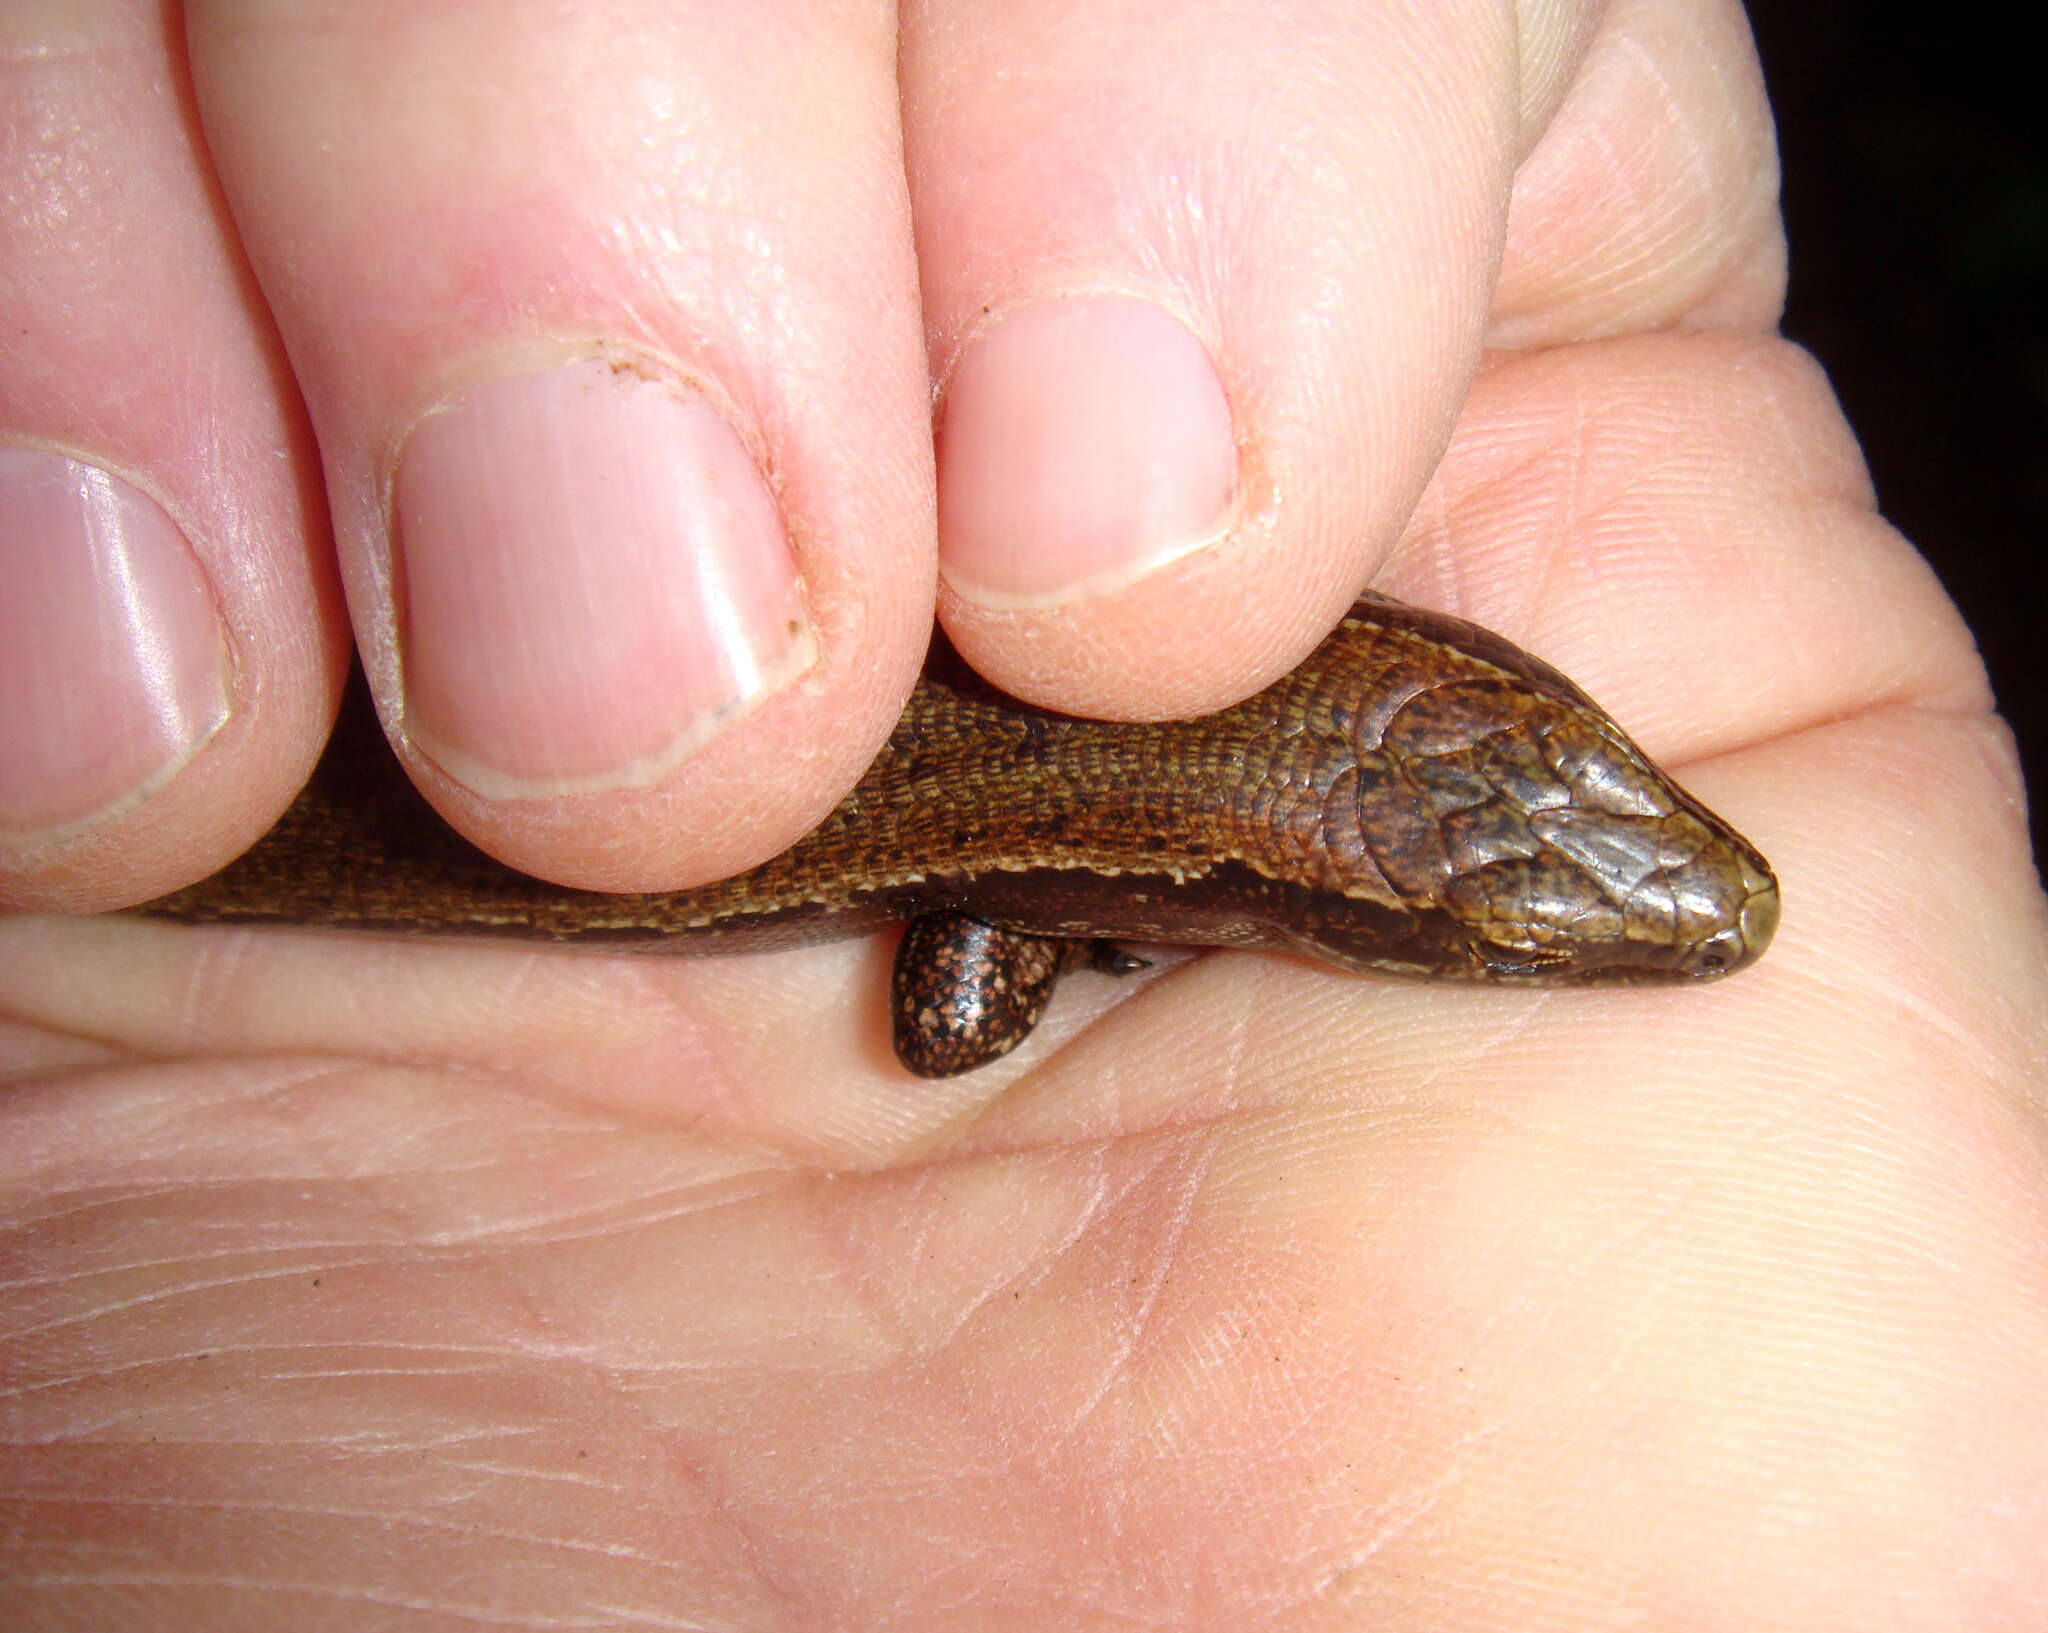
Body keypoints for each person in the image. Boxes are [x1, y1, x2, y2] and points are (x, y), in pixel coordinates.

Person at [2, 2, 2044, 1625]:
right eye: (1494, 928)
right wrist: (1077, 931)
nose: (1681, 890)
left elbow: (974, 983)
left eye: (1593, 795)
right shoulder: (1033, 786)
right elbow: (946, 1017)